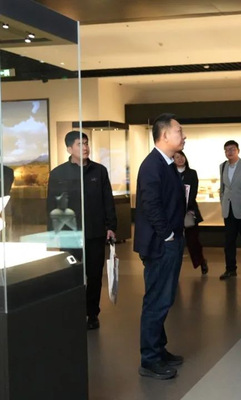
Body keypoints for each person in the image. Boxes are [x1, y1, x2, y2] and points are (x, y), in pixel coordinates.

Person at [47, 130, 117, 330]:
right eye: (80, 144)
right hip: (69, 234)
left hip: (95, 232)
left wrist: (111, 226)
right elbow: (51, 204)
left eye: (86, 143)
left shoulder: (99, 171)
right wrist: (52, 233)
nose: (85, 147)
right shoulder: (58, 173)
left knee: (94, 275)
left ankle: (92, 313)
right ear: (69, 149)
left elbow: (107, 200)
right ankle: (72, 311)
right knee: (72, 275)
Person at [134, 114, 186, 380]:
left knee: (164, 299)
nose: (184, 136)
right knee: (157, 301)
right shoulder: (152, 165)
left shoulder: (166, 163)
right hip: (160, 245)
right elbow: (151, 204)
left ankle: (159, 349)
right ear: (164, 135)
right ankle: (150, 359)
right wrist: (167, 236)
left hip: (169, 242)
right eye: (179, 131)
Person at [218, 140, 241, 280]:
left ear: (238, 150)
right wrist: (222, 201)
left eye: (232, 149)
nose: (229, 152)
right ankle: (230, 269)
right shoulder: (222, 166)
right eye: (227, 149)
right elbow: (223, 188)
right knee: (229, 242)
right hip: (228, 210)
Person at [174, 150, 209, 274]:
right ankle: (174, 267)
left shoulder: (192, 173)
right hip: (174, 212)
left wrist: (186, 206)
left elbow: (193, 192)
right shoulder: (170, 173)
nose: (180, 159)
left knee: (193, 240)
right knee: (175, 242)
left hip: (189, 211)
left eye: (181, 156)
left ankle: (201, 261)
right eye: (176, 157)